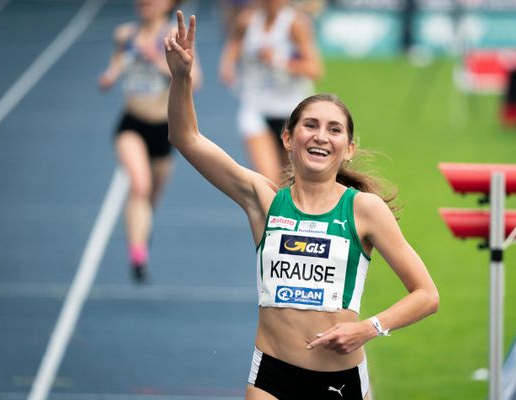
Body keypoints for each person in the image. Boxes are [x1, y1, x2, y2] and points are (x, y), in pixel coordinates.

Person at [164, 10, 439, 399]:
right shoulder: (263, 200)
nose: (321, 136)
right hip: (271, 374)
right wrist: (181, 78)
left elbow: (426, 295)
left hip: (338, 382)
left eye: (334, 129)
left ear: (348, 149)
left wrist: (368, 327)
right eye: (310, 125)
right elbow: (185, 137)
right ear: (288, 138)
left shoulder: (363, 210)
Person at [98, 0, 202, 282]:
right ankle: (138, 256)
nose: (145, 3)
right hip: (131, 123)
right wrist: (109, 76)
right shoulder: (124, 34)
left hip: (164, 129)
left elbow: (196, 80)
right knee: (139, 185)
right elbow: (116, 64)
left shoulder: (173, 36)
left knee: (151, 197)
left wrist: (157, 60)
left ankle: (142, 229)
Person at [219, 0, 323, 184]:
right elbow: (231, 51)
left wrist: (277, 60)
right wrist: (229, 68)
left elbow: (314, 69)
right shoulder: (247, 21)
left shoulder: (294, 24)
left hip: (292, 113)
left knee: (293, 182)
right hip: (257, 110)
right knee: (268, 182)